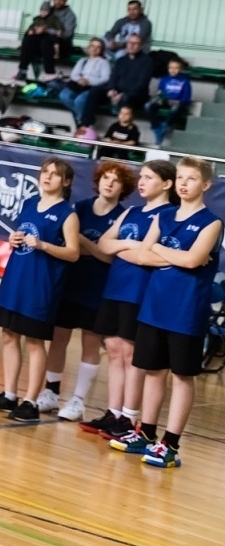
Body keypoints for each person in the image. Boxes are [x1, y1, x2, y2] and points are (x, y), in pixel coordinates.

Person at [111, 158, 220, 468]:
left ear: (206, 185)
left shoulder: (212, 223)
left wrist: (163, 250)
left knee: (182, 376)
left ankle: (170, 444)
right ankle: (145, 434)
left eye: (192, 179)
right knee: (153, 371)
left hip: (186, 311)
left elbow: (192, 261)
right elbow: (145, 255)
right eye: (181, 178)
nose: (184, 184)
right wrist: (173, 254)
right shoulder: (165, 215)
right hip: (154, 306)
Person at [85, 160, 178, 441]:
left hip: (140, 290)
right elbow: (103, 244)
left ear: (166, 184)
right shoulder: (132, 212)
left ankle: (130, 416)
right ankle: (114, 412)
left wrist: (124, 247)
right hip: (116, 287)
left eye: (149, 177)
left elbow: (149, 254)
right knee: (113, 347)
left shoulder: (169, 214)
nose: (142, 181)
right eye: (142, 177)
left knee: (130, 352)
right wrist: (131, 245)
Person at [0, 159, 78, 422]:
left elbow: (73, 252)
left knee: (34, 342)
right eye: (45, 172)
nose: (48, 177)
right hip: (16, 280)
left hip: (41, 287)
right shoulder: (29, 204)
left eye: (56, 175)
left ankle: (31, 401)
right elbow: (23, 234)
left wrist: (44, 245)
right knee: (8, 335)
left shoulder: (67, 214)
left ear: (65, 182)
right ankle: (10, 394)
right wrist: (13, 239)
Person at [43, 161, 134, 423]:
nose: (109, 183)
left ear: (123, 187)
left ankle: (79, 400)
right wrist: (91, 247)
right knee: (59, 338)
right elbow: (69, 248)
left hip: (98, 288)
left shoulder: (122, 217)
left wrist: (83, 242)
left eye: (115, 180)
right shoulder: (80, 208)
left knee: (90, 343)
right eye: (106, 178)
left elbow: (108, 257)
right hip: (70, 282)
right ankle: (51, 392)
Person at [54, 36, 110, 137]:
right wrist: (79, 80)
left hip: (93, 87)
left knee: (80, 100)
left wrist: (90, 81)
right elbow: (74, 74)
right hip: (79, 85)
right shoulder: (83, 60)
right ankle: (82, 119)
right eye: (93, 46)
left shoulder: (104, 62)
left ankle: (82, 124)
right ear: (89, 47)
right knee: (63, 95)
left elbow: (105, 78)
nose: (95, 48)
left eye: (98, 47)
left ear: (101, 50)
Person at [15, 2, 67, 81]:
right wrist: (32, 31)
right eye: (41, 10)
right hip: (36, 45)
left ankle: (49, 73)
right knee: (28, 40)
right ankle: (22, 70)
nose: (43, 12)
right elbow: (29, 30)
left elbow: (59, 33)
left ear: (49, 11)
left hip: (47, 45)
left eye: (45, 10)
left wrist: (46, 30)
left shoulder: (54, 19)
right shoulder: (37, 19)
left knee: (45, 41)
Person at [146, 58, 192, 144]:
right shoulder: (164, 79)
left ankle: (166, 126)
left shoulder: (185, 80)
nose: (173, 70)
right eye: (170, 68)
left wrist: (179, 102)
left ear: (180, 69)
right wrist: (160, 98)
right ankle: (156, 127)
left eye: (176, 68)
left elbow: (187, 97)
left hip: (177, 102)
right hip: (165, 100)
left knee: (175, 108)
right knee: (148, 106)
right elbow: (160, 92)